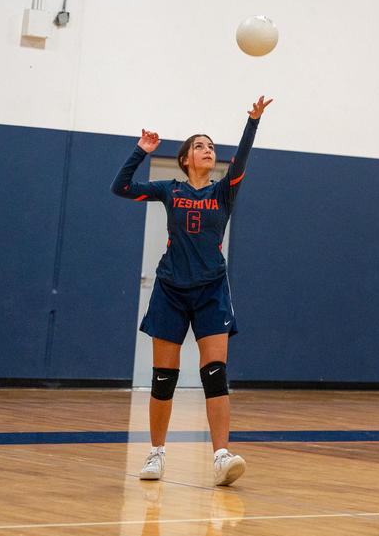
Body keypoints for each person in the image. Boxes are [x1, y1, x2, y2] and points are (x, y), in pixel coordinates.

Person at [111, 95, 273, 485]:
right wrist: (141, 150)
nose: (207, 149)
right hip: (170, 289)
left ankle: (221, 456)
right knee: (163, 377)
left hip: (211, 290)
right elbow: (121, 187)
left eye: (211, 146)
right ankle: (156, 453)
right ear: (185, 158)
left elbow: (242, 160)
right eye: (199, 145)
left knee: (215, 373)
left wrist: (252, 122)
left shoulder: (223, 192)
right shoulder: (170, 190)